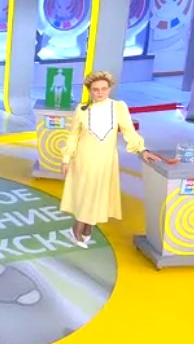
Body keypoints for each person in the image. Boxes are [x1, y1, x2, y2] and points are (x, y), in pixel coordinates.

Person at [60, 71, 160, 248]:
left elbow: (129, 131)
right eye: (96, 89)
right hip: (84, 159)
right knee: (88, 193)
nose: (100, 92)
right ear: (89, 90)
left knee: (99, 193)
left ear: (110, 89)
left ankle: (87, 228)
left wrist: (142, 149)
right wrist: (66, 159)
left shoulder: (118, 107)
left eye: (104, 89)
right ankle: (77, 229)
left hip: (106, 160)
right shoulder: (82, 110)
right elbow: (73, 135)